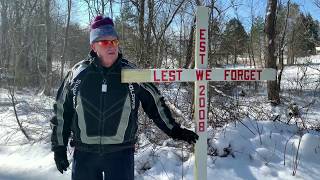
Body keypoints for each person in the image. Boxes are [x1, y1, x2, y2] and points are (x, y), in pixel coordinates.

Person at [50, 15, 199, 180]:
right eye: (105, 42)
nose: (111, 46)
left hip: (120, 156)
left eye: (114, 41)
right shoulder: (78, 74)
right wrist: (59, 148)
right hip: (85, 156)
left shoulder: (131, 74)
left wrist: (175, 130)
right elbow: (62, 112)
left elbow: (155, 104)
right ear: (93, 46)